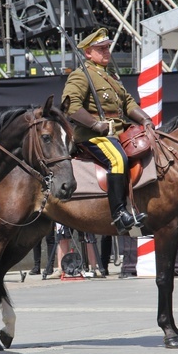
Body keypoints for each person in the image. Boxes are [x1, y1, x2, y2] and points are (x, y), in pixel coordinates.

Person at [62, 27, 152, 234]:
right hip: (94, 137)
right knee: (117, 160)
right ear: (87, 53)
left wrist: (145, 119)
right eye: (100, 48)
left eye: (107, 47)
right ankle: (120, 214)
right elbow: (71, 105)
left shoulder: (110, 76)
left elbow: (128, 102)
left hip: (118, 134)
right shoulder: (81, 76)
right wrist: (94, 125)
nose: (106, 52)